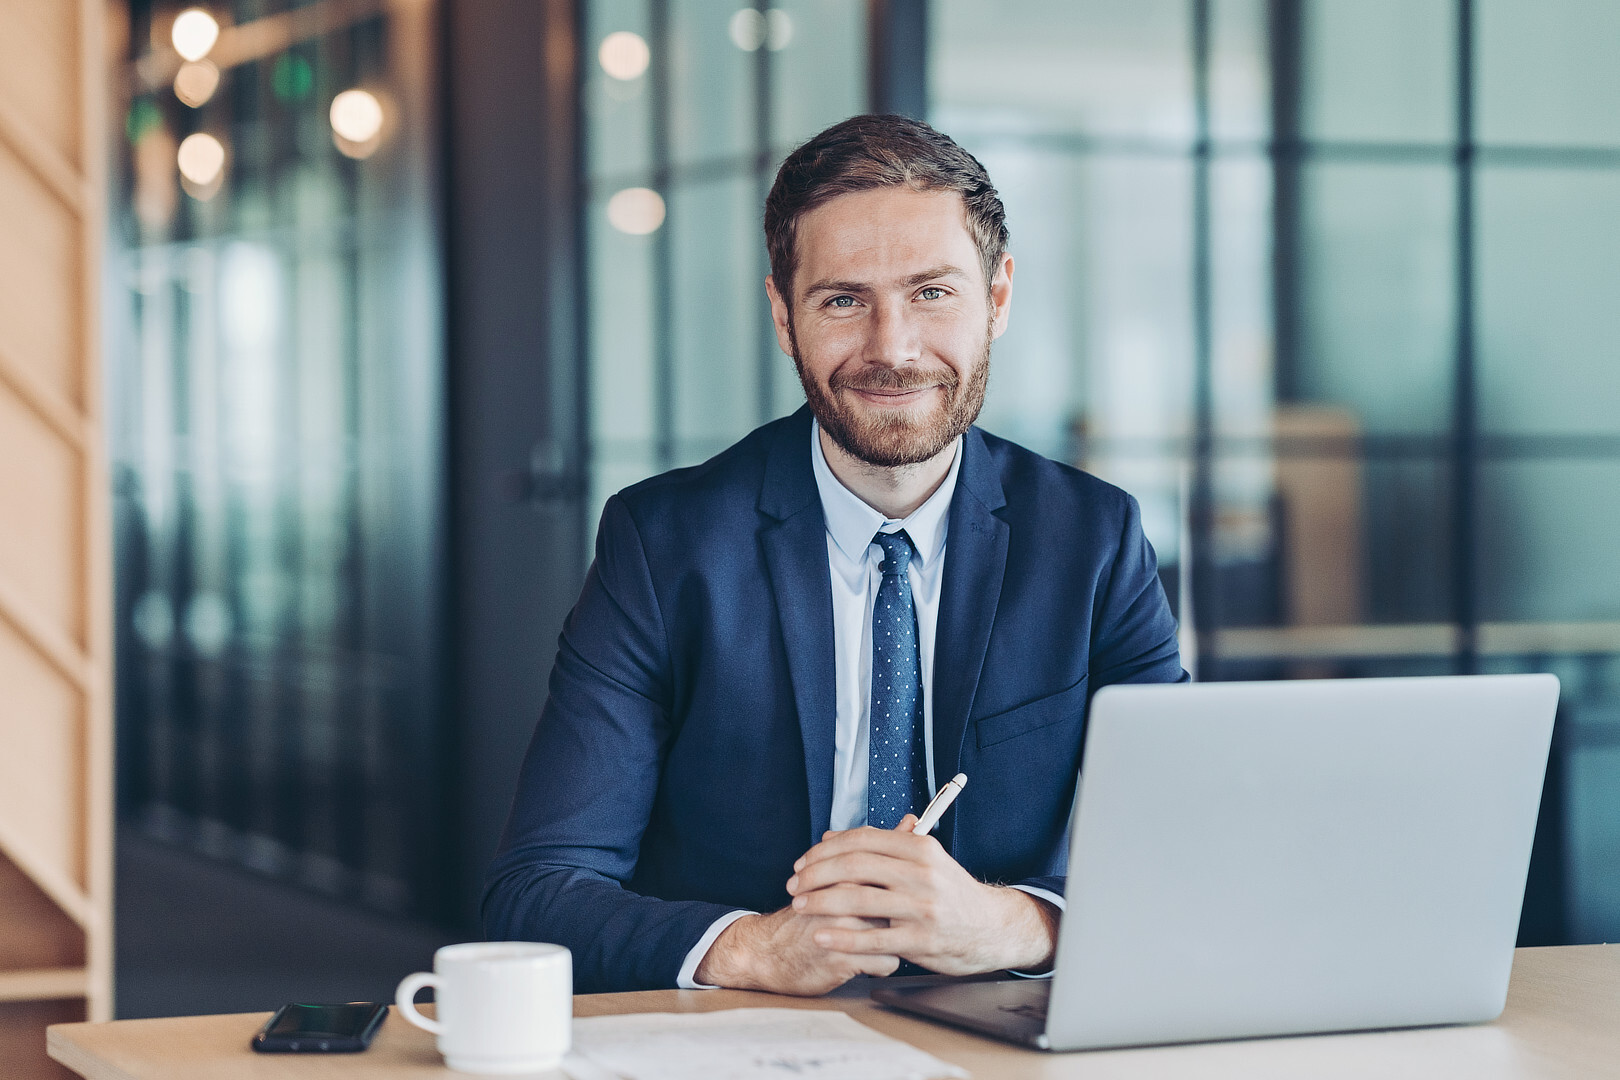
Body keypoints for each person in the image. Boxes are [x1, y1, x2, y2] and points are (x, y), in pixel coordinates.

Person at [483, 114, 1187, 995]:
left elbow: (1185, 863)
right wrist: (757, 948)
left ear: (997, 298)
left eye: (932, 292)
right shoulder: (662, 546)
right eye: (843, 300)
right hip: (747, 1041)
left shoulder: (1093, 540)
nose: (892, 350)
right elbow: (535, 893)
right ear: (784, 314)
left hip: (998, 1036)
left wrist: (1010, 923)